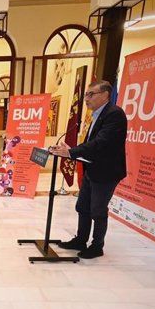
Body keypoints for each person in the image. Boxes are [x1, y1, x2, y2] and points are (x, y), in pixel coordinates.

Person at [50, 80, 127, 259]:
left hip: (106, 172)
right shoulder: (96, 115)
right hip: (92, 169)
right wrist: (72, 150)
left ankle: (97, 246)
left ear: (106, 95)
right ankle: (80, 239)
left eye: (91, 94)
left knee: (98, 211)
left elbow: (101, 143)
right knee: (82, 206)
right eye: (86, 94)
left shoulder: (114, 115)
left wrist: (72, 152)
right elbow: (91, 142)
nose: (86, 98)